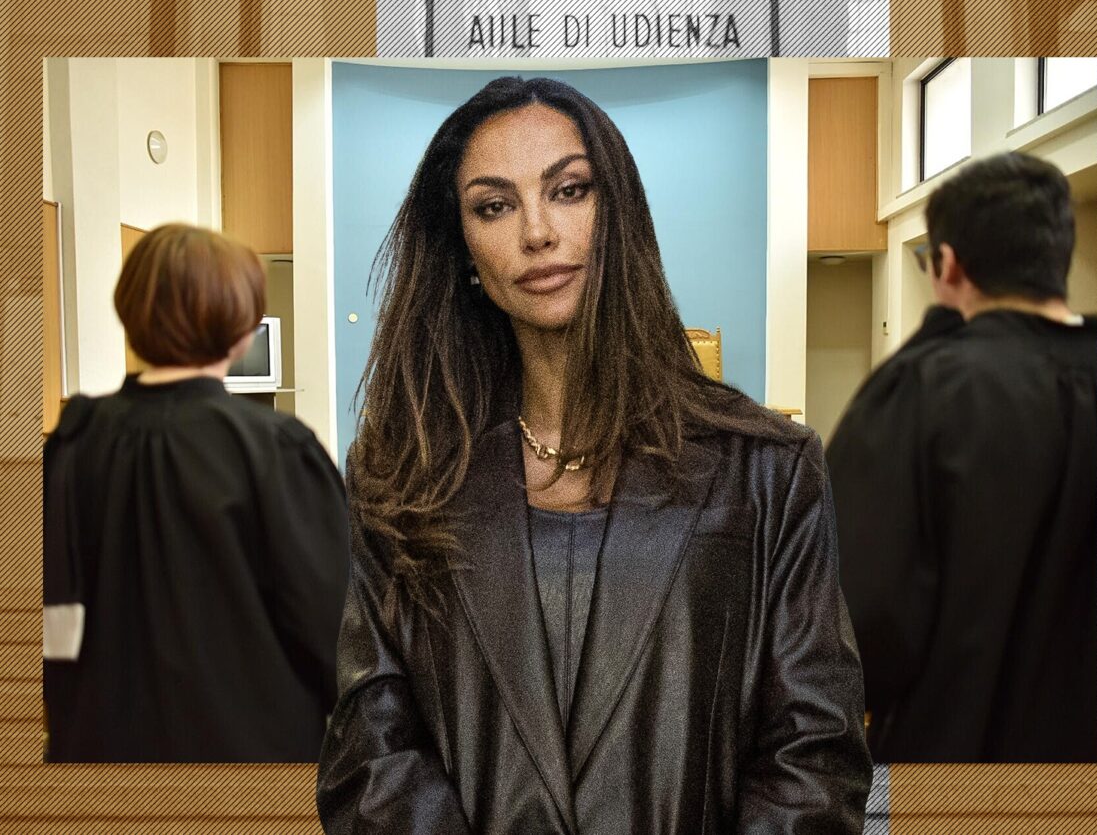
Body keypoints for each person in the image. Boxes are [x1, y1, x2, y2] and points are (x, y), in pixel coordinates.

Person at [316, 77, 872, 834]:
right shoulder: (401, 476)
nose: (537, 232)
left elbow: (814, 757)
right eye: (494, 206)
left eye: (569, 191)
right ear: (464, 248)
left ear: (619, 213)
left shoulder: (768, 470)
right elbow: (370, 750)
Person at [826, 152, 1097, 763]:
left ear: (948, 264)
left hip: (960, 753)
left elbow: (856, 621)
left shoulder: (927, 389)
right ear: (1057, 254)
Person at [42, 224, 350, 762]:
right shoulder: (277, 448)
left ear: (131, 310)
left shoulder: (69, 443)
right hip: (252, 759)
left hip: (95, 753)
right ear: (242, 327)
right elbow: (336, 630)